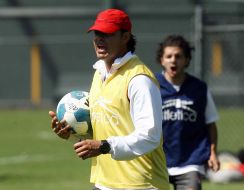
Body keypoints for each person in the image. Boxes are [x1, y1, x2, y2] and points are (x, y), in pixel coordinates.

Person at [49, 9, 170, 190]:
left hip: (141, 184)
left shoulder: (139, 80)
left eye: (107, 34)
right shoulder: (99, 74)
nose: (99, 39)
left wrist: (105, 146)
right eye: (97, 33)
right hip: (105, 182)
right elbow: (108, 127)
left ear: (125, 37)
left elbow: (150, 136)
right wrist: (73, 133)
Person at [155, 35, 220, 190]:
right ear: (162, 60)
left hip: (190, 160)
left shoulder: (199, 88)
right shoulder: (152, 85)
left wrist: (213, 153)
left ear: (187, 60)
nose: (173, 60)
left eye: (178, 56)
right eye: (168, 56)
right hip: (157, 159)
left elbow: (210, 123)